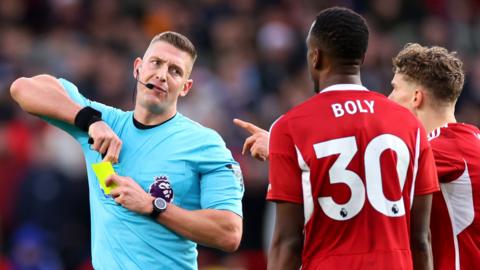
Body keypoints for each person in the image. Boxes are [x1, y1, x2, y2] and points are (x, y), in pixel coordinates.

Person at [10, 31, 244, 270]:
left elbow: (229, 233)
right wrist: (89, 121)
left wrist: (152, 206)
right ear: (138, 68)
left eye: (175, 71)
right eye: (156, 63)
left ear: (185, 87)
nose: (162, 75)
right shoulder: (103, 123)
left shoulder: (205, 143)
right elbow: (23, 88)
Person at [236, 7, 439, 269]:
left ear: (315, 56)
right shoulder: (408, 124)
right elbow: (421, 240)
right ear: (362, 58)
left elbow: (289, 242)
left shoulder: (290, 128)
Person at [388, 43, 480, 270]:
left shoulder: (438, 150)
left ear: (416, 97)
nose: (388, 99)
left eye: (395, 89)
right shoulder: (471, 139)